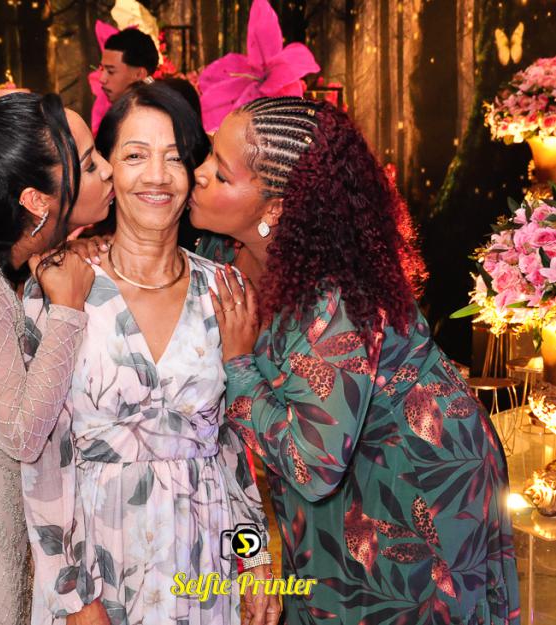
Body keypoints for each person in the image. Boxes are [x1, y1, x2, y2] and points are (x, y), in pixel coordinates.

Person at [190, 96, 521, 625]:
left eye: (222, 173)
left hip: (417, 484)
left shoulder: (334, 300)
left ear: (275, 209)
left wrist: (239, 364)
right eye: (210, 153)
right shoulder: (221, 251)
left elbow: (313, 467)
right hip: (341, 482)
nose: (199, 173)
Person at [22, 83, 280, 625]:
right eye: (136, 156)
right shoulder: (61, 284)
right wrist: (74, 597)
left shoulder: (224, 290)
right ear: (109, 171)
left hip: (201, 561)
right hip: (95, 563)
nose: (157, 176)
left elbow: (230, 450)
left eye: (174, 157)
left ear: (192, 172)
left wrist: (255, 557)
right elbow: (42, 456)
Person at [0, 92, 113, 625]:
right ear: (36, 200)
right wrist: (68, 310)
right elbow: (22, 433)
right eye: (88, 164)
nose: (106, 170)